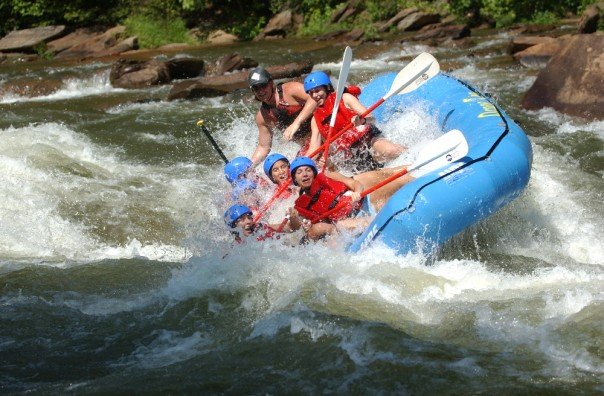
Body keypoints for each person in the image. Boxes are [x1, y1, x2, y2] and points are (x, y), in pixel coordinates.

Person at [289, 156, 413, 241]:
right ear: (295, 179)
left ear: (314, 173)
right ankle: (383, 223)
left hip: (364, 203)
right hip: (350, 221)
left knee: (399, 180)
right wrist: (297, 220)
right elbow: (301, 229)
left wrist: (357, 192)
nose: (304, 174)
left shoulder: (327, 175)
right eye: (299, 172)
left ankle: (418, 169)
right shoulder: (300, 207)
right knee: (341, 224)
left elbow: (354, 183)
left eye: (308, 170)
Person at [303, 71, 404, 172]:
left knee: (389, 151)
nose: (315, 95)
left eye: (317, 90)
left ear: (327, 87)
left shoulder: (345, 98)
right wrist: (302, 164)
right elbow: (313, 149)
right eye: (311, 93)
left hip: (369, 139)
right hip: (350, 154)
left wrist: (362, 120)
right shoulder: (315, 120)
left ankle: (412, 154)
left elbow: (371, 118)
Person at [248, 67, 317, 165]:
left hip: (323, 133)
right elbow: (264, 147)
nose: (260, 91)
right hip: (307, 146)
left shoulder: (291, 89)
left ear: (271, 83)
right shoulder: (262, 117)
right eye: (256, 88)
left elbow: (314, 98)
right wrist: (249, 167)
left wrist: (296, 123)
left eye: (263, 86)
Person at [224, 204, 302, 243]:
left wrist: (293, 218)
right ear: (233, 227)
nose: (248, 221)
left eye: (249, 217)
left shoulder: (260, 228)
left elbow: (291, 228)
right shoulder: (235, 250)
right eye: (242, 219)